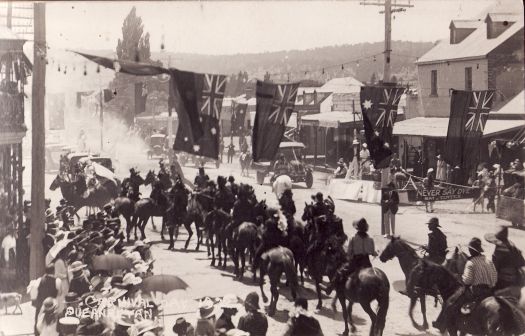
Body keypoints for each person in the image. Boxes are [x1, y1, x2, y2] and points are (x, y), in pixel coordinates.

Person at [433, 237, 497, 332]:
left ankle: (442, 324)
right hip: (490, 292)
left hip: (476, 292)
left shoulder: (471, 263)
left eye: (470, 249)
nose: (469, 251)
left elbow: (467, 281)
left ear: (472, 250)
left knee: (450, 302)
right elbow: (494, 279)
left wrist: (459, 277)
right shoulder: (489, 261)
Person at [325, 218, 376, 295]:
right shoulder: (370, 239)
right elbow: (372, 252)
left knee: (340, 272)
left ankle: (330, 287)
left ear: (357, 228)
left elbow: (349, 253)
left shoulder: (353, 238)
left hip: (355, 262)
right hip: (366, 262)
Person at [34, 265, 61, 336]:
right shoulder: (57, 281)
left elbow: (36, 291)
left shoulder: (39, 280)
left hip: (41, 305)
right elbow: (60, 293)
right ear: (54, 271)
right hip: (52, 305)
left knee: (39, 323)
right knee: (53, 325)